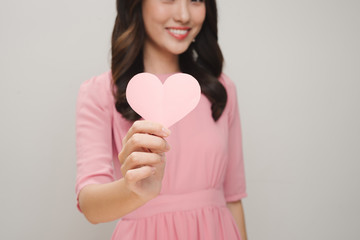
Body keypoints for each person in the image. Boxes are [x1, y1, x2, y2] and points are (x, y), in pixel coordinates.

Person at [75, 0, 248, 239]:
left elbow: (233, 199)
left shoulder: (221, 89)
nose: (184, 15)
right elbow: (90, 206)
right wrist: (132, 190)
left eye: (196, 0)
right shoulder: (99, 92)